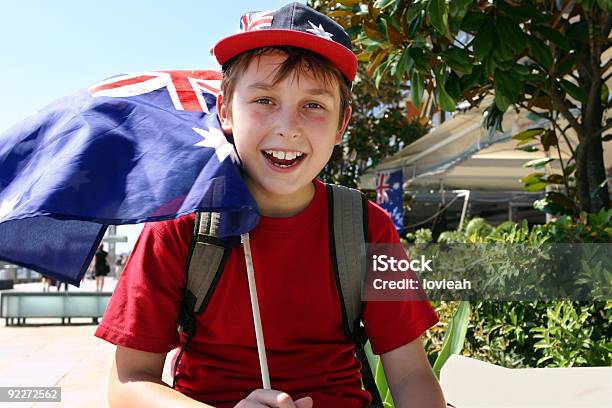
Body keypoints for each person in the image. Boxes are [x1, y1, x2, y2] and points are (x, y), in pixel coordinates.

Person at [95, 3, 446, 407]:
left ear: (341, 124)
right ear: (226, 111)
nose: (288, 126)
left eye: (313, 105)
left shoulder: (369, 227)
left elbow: (412, 374)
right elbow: (127, 382)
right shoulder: (177, 226)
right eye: (263, 100)